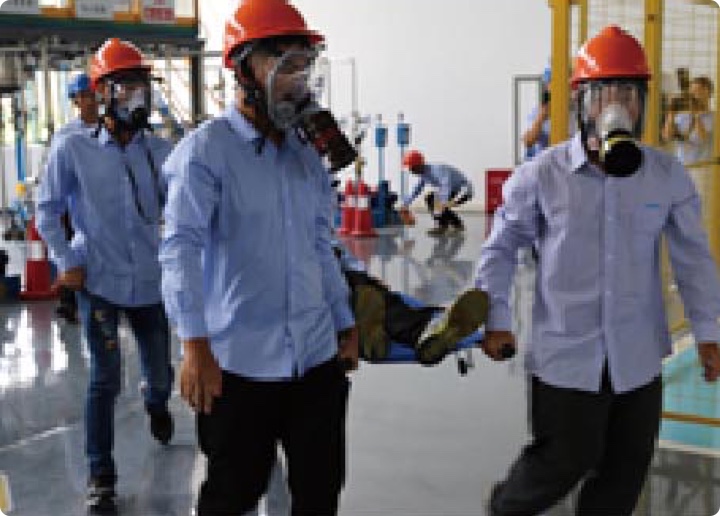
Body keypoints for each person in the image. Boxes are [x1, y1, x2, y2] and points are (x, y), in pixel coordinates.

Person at [476, 25, 720, 516]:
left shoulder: (665, 175)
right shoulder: (542, 176)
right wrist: (496, 319)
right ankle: (505, 508)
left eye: (629, 94)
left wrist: (708, 331)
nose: (617, 107)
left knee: (624, 476)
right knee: (562, 461)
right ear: (581, 102)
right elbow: (500, 250)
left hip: (637, 359)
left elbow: (694, 256)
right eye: (605, 93)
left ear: (644, 103)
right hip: (567, 356)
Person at [159, 1, 358, 514]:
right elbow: (180, 249)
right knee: (233, 495)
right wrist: (194, 345)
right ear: (244, 69)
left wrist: (343, 319)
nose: (296, 80)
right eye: (283, 64)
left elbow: (320, 244)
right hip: (239, 366)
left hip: (314, 358)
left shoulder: (305, 154)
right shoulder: (206, 153)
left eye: (302, 66)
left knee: (320, 493)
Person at [36, 38, 174, 514]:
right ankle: (101, 476)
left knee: (161, 373)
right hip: (98, 280)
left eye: (141, 86)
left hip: (150, 282)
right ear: (102, 93)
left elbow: (185, 207)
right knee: (105, 378)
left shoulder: (160, 151)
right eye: (126, 86)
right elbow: (46, 209)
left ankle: (156, 402)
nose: (137, 96)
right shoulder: (73, 148)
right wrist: (66, 262)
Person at [333, 241, 489, 365]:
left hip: (342, 280)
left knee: (384, 304)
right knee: (390, 308)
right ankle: (425, 333)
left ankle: (426, 334)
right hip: (340, 280)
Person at [53, 72, 100, 324]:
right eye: (83, 96)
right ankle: (69, 301)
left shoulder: (110, 129)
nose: (89, 100)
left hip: (102, 207)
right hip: (75, 207)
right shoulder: (66, 136)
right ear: (75, 100)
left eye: (92, 94)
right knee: (74, 254)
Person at [399, 150, 474, 236]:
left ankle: (446, 226)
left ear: (419, 165)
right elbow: (418, 189)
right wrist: (406, 203)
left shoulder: (438, 169)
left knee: (437, 202)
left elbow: (446, 185)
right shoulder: (424, 173)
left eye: (412, 168)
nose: (411, 171)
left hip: (464, 191)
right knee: (432, 199)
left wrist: (441, 203)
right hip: (453, 189)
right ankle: (453, 225)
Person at [662, 75, 714, 165]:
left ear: (708, 93)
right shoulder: (682, 116)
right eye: (692, 93)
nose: (694, 97)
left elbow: (702, 139)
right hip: (682, 166)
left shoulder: (715, 117)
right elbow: (667, 136)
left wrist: (696, 116)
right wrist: (671, 113)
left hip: (703, 167)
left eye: (698, 91)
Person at [522, 66, 552, 161]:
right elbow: (528, 141)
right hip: (544, 164)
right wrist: (541, 117)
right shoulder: (538, 112)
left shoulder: (577, 112)